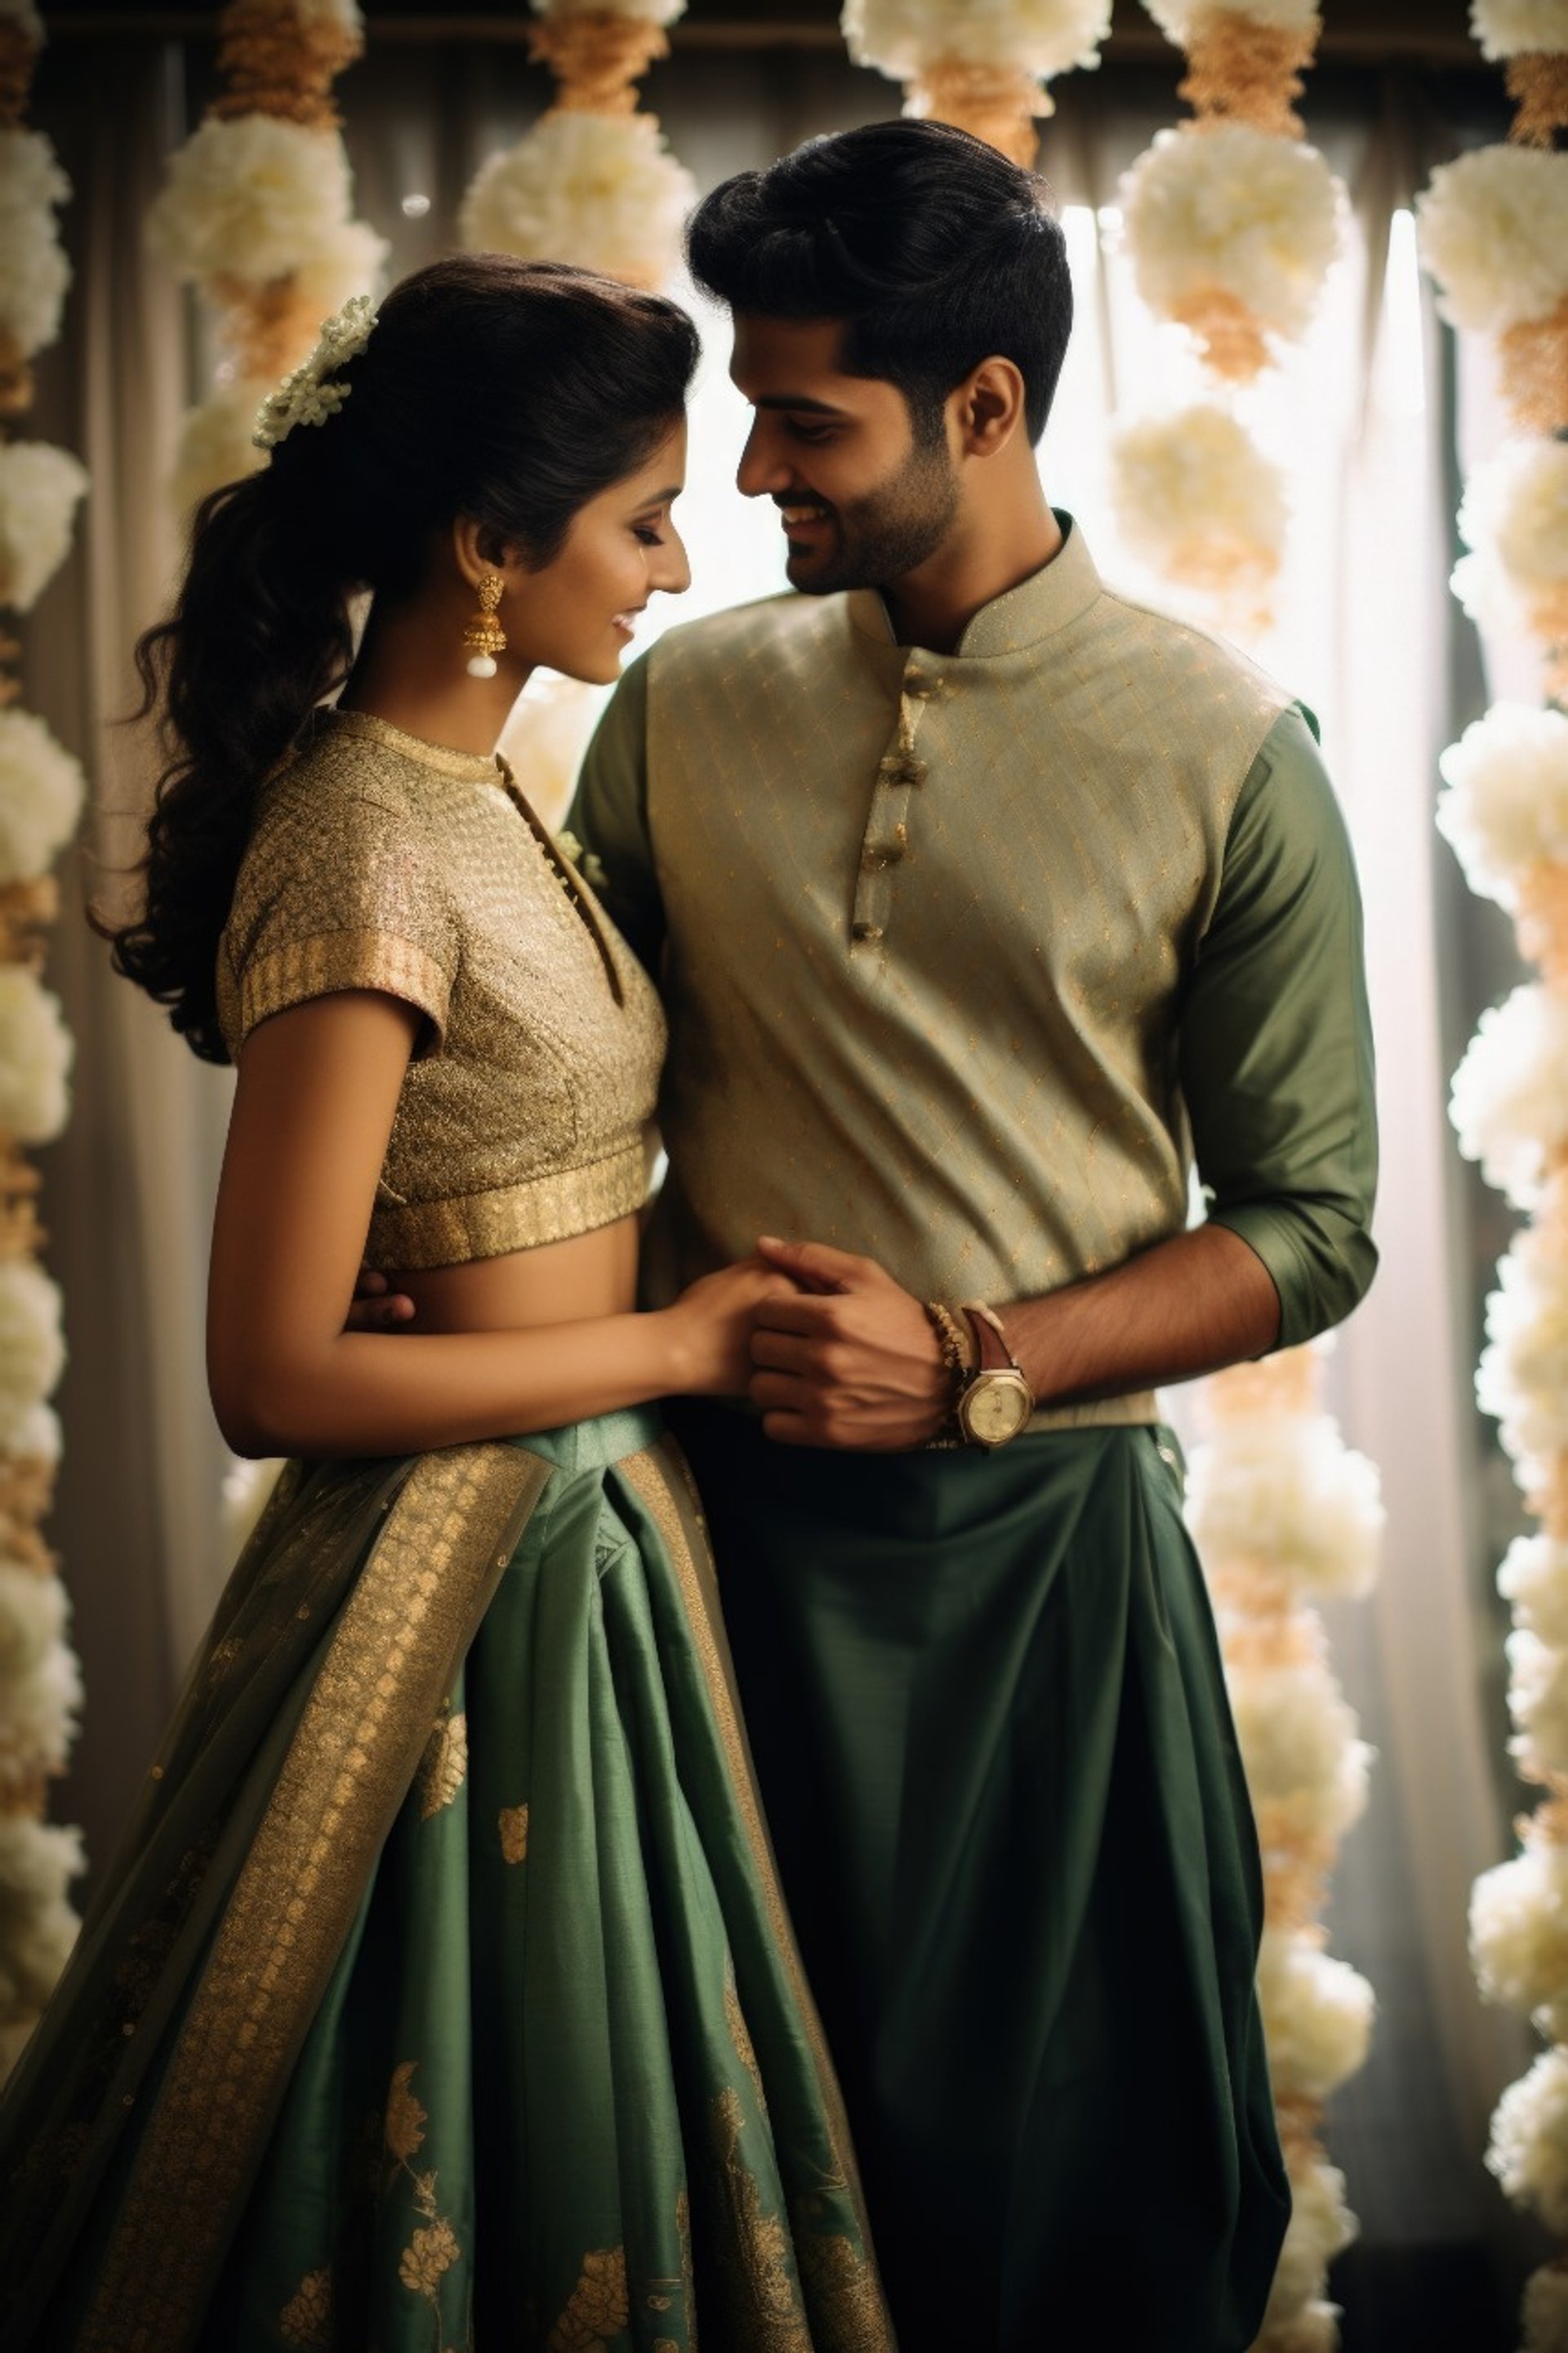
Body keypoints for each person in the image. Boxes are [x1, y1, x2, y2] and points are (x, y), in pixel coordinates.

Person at [0, 256, 894, 2353]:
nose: (682, 559)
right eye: (643, 518)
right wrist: (676, 1346)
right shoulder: (360, 841)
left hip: (582, 1542)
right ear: (493, 550)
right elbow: (270, 1368)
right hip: (450, 1573)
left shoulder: (490, 786)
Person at [564, 122, 1378, 2353]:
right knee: (711, 2199)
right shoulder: (677, 706)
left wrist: (980, 1353)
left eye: (806, 421)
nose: (750, 476)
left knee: (1069, 2218)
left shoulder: (1230, 749)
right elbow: (550, 1102)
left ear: (986, 410)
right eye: (753, 414)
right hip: (699, 1558)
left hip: (1052, 1578)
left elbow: (1314, 1225)